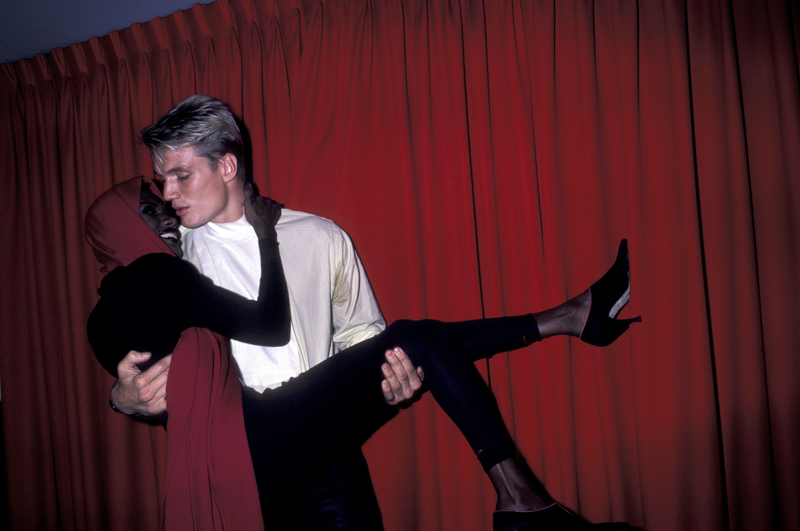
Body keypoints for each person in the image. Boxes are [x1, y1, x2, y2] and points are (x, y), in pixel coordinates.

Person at [85, 176, 639, 530]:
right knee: (417, 337)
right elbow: (256, 329)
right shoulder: (165, 271)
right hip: (257, 448)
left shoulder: (102, 323)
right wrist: (267, 233)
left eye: (166, 194)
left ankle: (570, 318)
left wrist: (117, 398)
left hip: (283, 455)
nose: (165, 207)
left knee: (417, 340)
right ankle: (523, 497)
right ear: (122, 226)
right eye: (150, 205)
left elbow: (363, 341)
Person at [109, 96, 421, 529]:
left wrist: (390, 379)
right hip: (232, 469)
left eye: (181, 175)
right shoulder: (164, 261)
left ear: (227, 167)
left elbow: (363, 335)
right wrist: (121, 397)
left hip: (329, 460)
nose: (167, 193)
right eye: (163, 179)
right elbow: (131, 350)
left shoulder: (320, 236)